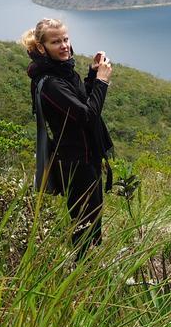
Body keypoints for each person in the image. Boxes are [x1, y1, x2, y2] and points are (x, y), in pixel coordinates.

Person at [21, 18, 114, 257]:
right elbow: (86, 115)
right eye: (56, 42)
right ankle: (81, 271)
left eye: (65, 39)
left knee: (94, 219)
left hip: (87, 155)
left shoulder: (63, 72)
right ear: (42, 48)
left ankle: (90, 267)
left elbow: (81, 99)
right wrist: (103, 82)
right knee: (84, 224)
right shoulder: (50, 82)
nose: (63, 45)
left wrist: (92, 76)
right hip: (75, 162)